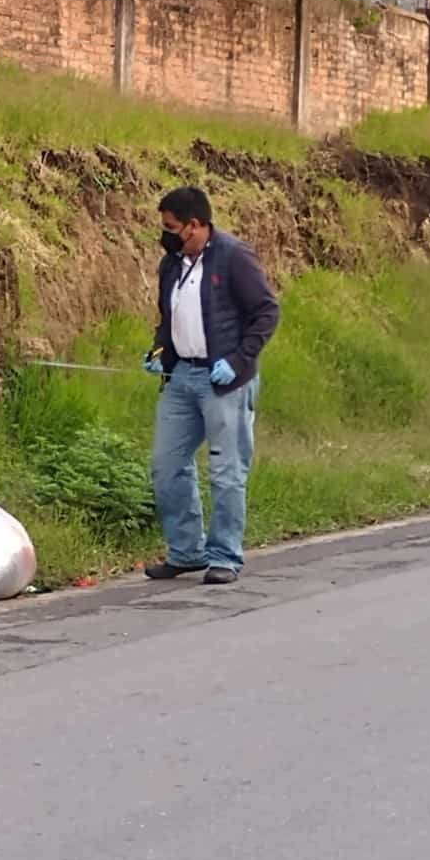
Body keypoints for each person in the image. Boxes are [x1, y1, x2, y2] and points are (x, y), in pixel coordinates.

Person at [143, 186, 279, 585]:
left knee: (225, 470)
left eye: (172, 227)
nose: (166, 234)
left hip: (225, 381)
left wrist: (237, 360)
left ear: (195, 225)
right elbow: (169, 317)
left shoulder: (233, 256)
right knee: (166, 466)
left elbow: (267, 312)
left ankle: (225, 556)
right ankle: (186, 552)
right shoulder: (172, 264)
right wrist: (159, 352)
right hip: (180, 377)